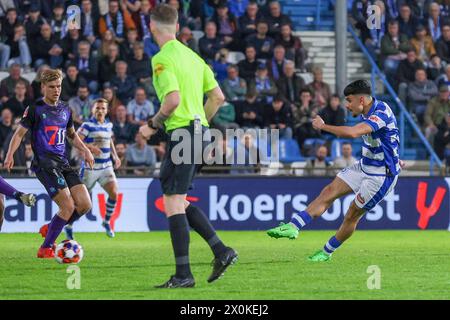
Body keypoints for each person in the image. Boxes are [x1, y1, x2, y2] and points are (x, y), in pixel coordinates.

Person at [138, 4, 237, 288]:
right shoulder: (194, 57)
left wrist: (152, 125)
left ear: (151, 27)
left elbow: (171, 101)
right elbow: (217, 97)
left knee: (172, 201)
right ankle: (222, 251)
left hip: (183, 132)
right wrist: (199, 126)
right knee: (179, 200)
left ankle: (184, 275)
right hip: (200, 132)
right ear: (177, 25)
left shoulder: (162, 58)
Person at [267, 80, 401, 262]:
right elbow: (388, 138)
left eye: (349, 100)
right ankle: (293, 226)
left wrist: (323, 126)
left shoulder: (381, 112)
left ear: (361, 100)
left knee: (352, 214)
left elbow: (353, 133)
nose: (347, 105)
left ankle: (326, 252)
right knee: (329, 191)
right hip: (365, 165)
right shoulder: (366, 110)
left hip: (381, 176)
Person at [4, 69, 95, 258]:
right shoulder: (35, 109)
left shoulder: (66, 109)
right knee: (68, 206)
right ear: (43, 87)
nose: (56, 90)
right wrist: (10, 154)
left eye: (59, 86)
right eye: (52, 87)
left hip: (63, 162)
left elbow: (71, 135)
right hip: (45, 164)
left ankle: (51, 226)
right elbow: (19, 133)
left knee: (85, 204)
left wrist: (85, 150)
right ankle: (45, 248)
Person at [65, 99, 121, 239]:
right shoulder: (87, 125)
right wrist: (90, 148)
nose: (100, 110)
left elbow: (110, 140)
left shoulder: (109, 125)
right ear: (92, 110)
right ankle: (69, 224)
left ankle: (106, 221)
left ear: (107, 110)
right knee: (82, 204)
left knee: (114, 193)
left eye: (103, 108)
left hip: (106, 166)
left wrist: (115, 156)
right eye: (97, 108)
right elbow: (74, 139)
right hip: (90, 168)